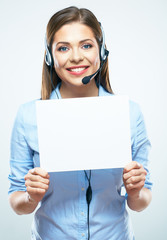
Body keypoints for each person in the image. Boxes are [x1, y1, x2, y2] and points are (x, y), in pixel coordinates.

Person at [8, 6, 152, 240]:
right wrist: (31, 197)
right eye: (63, 48)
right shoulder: (28, 116)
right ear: (49, 56)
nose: (76, 56)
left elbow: (142, 200)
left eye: (86, 45)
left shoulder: (130, 113)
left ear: (101, 51)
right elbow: (17, 201)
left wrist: (135, 192)